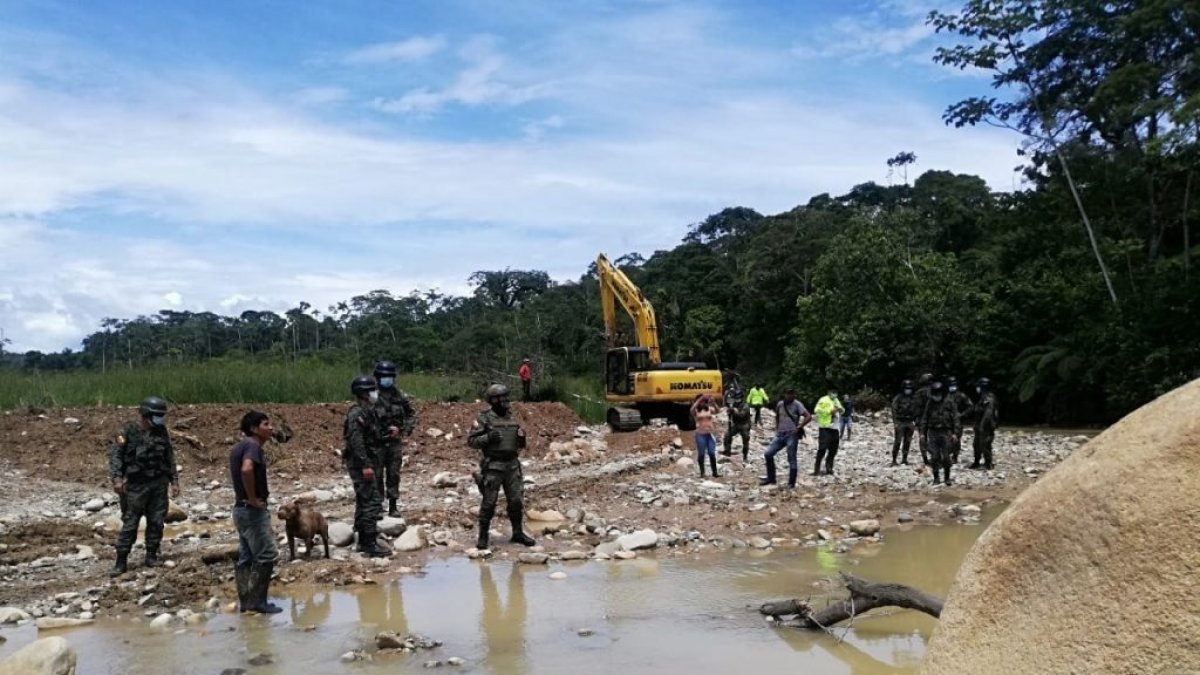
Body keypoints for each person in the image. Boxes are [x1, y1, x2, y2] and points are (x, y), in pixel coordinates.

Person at [108, 396, 180, 577]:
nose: (160, 419)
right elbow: (115, 456)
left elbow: (169, 457)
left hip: (158, 483)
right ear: (146, 414)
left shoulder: (161, 431)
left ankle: (152, 555)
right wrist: (116, 479)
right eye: (157, 415)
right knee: (130, 523)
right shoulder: (127, 431)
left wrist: (174, 481)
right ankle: (121, 560)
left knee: (156, 521)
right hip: (135, 486)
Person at [468, 384, 535, 549]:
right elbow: (471, 441)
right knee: (489, 502)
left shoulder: (511, 417)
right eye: (500, 397)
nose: (504, 401)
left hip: (512, 465)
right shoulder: (484, 418)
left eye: (506, 397)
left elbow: (520, 443)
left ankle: (518, 533)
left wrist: (521, 438)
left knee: (516, 501)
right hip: (493, 466)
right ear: (492, 400)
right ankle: (483, 536)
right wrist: (488, 438)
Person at [229, 410, 282, 614]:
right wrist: (252, 498)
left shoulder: (238, 447)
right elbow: (247, 469)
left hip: (240, 510)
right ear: (253, 429)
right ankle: (259, 602)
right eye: (266, 424)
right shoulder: (252, 445)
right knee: (266, 555)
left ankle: (247, 602)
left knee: (246, 556)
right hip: (251, 511)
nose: (271, 428)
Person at [344, 376, 389, 558]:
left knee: (365, 500)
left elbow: (372, 438)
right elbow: (356, 442)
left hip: (368, 462)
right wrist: (365, 465)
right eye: (372, 390)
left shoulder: (367, 412)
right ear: (364, 393)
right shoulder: (357, 414)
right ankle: (369, 543)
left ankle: (364, 540)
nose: (375, 394)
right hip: (361, 465)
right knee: (371, 501)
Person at [373, 360, 416, 518]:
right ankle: (377, 507)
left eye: (390, 376)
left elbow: (412, 413)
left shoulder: (399, 395)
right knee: (376, 475)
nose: (387, 379)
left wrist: (402, 429)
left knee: (393, 474)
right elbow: (363, 415)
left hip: (394, 442)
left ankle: (393, 506)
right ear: (378, 377)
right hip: (377, 443)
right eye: (384, 376)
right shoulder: (371, 395)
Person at [760, 388, 812, 488]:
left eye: (790, 394)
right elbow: (777, 416)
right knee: (768, 454)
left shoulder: (797, 404)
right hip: (780, 434)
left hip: (791, 435)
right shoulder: (780, 404)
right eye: (787, 394)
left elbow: (808, 416)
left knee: (791, 458)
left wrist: (799, 427)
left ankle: (791, 483)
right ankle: (771, 478)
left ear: (794, 395)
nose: (788, 396)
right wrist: (777, 427)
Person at [920, 380, 960, 485]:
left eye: (938, 394)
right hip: (933, 432)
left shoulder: (950, 402)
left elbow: (956, 418)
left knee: (946, 457)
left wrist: (956, 432)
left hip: (946, 432)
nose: (936, 396)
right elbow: (925, 418)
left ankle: (947, 478)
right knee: (934, 457)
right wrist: (922, 433)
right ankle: (936, 478)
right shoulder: (930, 403)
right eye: (935, 394)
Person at [813, 388, 845, 475]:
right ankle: (817, 469)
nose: (834, 394)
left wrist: (841, 410)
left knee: (833, 449)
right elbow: (817, 410)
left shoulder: (836, 400)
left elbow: (842, 410)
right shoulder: (823, 400)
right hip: (825, 427)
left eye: (836, 393)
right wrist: (829, 412)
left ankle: (829, 468)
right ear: (829, 392)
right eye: (833, 392)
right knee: (822, 448)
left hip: (835, 428)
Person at [971, 377, 1000, 470]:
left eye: (979, 386)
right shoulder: (983, 397)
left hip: (986, 426)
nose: (977, 388)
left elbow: (988, 413)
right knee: (976, 444)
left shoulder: (989, 398)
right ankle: (976, 462)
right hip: (980, 425)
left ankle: (988, 464)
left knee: (985, 444)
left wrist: (982, 425)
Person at [890, 379, 920, 465]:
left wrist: (916, 422)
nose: (908, 390)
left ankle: (904, 459)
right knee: (898, 441)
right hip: (900, 421)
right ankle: (894, 459)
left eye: (909, 388)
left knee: (908, 441)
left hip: (910, 421)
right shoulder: (898, 398)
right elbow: (894, 410)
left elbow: (916, 410)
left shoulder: (913, 398)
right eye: (906, 388)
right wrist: (895, 422)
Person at [690, 395, 720, 478]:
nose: (703, 402)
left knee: (712, 453)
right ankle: (702, 472)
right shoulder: (696, 410)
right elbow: (691, 410)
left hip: (710, 434)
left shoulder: (709, 409)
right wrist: (699, 400)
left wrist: (713, 402)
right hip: (700, 434)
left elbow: (718, 410)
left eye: (703, 401)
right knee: (701, 454)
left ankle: (715, 472)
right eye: (701, 401)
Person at [947, 376, 973, 464]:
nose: (952, 386)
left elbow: (970, 406)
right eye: (950, 385)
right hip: (947, 420)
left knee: (956, 438)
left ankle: (955, 456)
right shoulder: (946, 396)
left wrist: (962, 415)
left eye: (953, 385)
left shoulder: (961, 396)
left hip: (958, 421)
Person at [914, 372, 934, 465]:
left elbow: (915, 406)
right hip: (931, 418)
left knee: (923, 438)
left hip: (921, 418)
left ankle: (925, 458)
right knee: (933, 437)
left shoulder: (918, 392)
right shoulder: (933, 391)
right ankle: (935, 456)